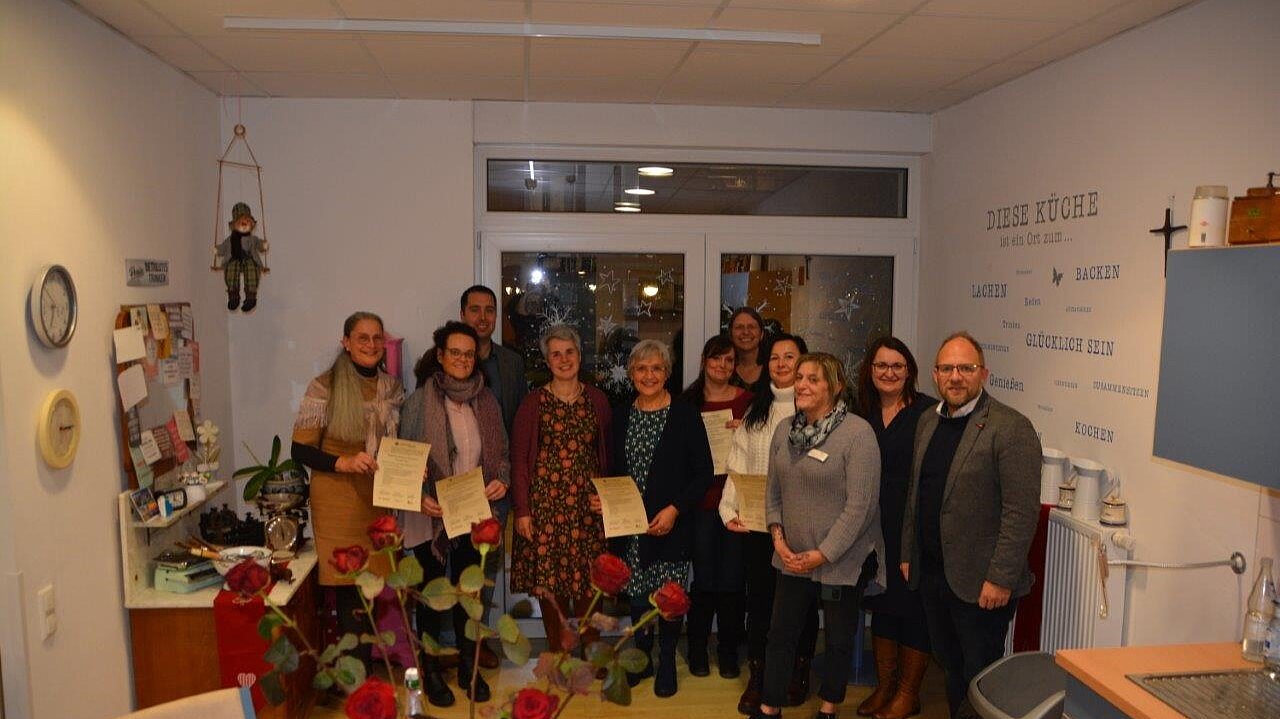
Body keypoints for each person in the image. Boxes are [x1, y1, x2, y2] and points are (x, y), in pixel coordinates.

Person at [899, 331, 1041, 719]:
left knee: (980, 679)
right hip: (933, 574)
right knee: (951, 668)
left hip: (982, 584)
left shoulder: (1011, 428)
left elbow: (1020, 512)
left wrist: (1000, 578)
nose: (956, 376)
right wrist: (909, 552)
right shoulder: (928, 421)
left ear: (984, 374)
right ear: (935, 374)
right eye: (947, 368)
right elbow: (917, 491)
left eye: (966, 368)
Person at [755, 352, 884, 719]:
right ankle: (770, 706)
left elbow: (861, 507)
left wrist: (823, 554)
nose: (802, 385)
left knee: (840, 639)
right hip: (792, 556)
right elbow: (773, 493)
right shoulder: (785, 430)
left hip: (841, 560)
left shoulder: (858, 434)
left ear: (836, 387)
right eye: (799, 378)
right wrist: (779, 541)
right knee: (780, 635)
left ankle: (829, 707)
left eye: (813, 378)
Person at [400, 321, 511, 703]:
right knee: (431, 596)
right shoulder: (417, 402)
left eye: (469, 353)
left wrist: (503, 481)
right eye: (455, 352)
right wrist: (418, 495)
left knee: (470, 595)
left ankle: (469, 667)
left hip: (473, 512)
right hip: (429, 514)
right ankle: (430, 672)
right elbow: (405, 459)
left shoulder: (487, 400)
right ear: (441, 356)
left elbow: (502, 456)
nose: (463, 359)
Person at [599, 339, 713, 698]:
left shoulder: (685, 415)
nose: (649, 375)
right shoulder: (620, 415)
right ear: (631, 373)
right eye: (641, 368)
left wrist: (674, 510)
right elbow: (611, 470)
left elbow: (704, 474)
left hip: (670, 525)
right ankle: (643, 656)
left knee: (668, 595)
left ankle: (666, 660)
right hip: (630, 527)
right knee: (635, 594)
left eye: (657, 368)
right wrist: (604, 501)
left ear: (667, 373)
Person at [290, 312, 404, 660]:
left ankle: (364, 674)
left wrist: (410, 472)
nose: (370, 345)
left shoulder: (392, 388)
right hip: (338, 503)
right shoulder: (323, 386)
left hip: (376, 501)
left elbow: (395, 447)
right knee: (348, 593)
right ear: (346, 343)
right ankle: (357, 682)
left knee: (373, 591)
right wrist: (344, 462)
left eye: (376, 338)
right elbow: (299, 449)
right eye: (362, 338)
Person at [722, 333, 820, 715]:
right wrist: (729, 510)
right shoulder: (755, 412)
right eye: (774, 357)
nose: (781, 364)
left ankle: (798, 671)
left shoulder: (815, 411)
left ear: (803, 363)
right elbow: (737, 464)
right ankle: (760, 676)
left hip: (802, 528)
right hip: (758, 527)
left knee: (802, 606)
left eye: (789, 357)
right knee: (760, 603)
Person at [510, 325, 612, 651]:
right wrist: (523, 511)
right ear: (547, 360)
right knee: (551, 588)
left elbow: (608, 457)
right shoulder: (532, 403)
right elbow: (520, 462)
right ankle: (559, 653)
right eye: (556, 353)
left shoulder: (597, 400)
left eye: (570, 352)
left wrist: (608, 501)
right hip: (546, 512)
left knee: (589, 585)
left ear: (580, 357)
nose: (564, 359)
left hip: (587, 511)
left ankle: (591, 649)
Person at [853, 337, 936, 719]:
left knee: (912, 608)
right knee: (882, 605)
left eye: (897, 366)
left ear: (910, 372)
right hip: (870, 528)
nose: (889, 373)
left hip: (912, 529)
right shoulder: (859, 413)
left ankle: (908, 693)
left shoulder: (927, 413)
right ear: (870, 371)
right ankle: (885, 687)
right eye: (881, 366)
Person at [679, 335, 753, 680]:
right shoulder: (687, 402)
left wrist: (747, 434)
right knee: (705, 580)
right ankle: (696, 649)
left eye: (729, 361)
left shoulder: (749, 402)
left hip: (738, 503)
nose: (722, 367)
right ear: (704, 361)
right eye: (716, 359)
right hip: (701, 503)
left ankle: (727, 652)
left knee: (734, 583)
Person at [458, 284, 524, 668]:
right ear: (463, 313)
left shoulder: (511, 364)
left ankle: (478, 644)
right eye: (475, 310)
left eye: (490, 310)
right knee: (458, 568)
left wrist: (512, 477)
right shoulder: (449, 358)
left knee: (486, 568)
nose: (483, 317)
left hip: (497, 484)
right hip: (456, 487)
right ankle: (461, 643)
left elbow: (517, 423)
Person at [215, 202, 267, 312]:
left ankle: (250, 297)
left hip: (249, 259)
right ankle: (233, 296)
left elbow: (259, 245)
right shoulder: (231, 240)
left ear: (251, 225)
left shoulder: (253, 239)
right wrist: (217, 250)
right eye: (240, 222)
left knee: (252, 270)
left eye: (247, 221)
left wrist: (263, 245)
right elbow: (223, 248)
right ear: (234, 225)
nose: (244, 224)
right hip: (234, 259)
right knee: (231, 270)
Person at [728, 307, 766, 389]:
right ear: (731, 334)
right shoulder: (723, 369)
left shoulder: (772, 370)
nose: (746, 332)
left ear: (761, 334)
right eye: (739, 327)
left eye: (751, 327)